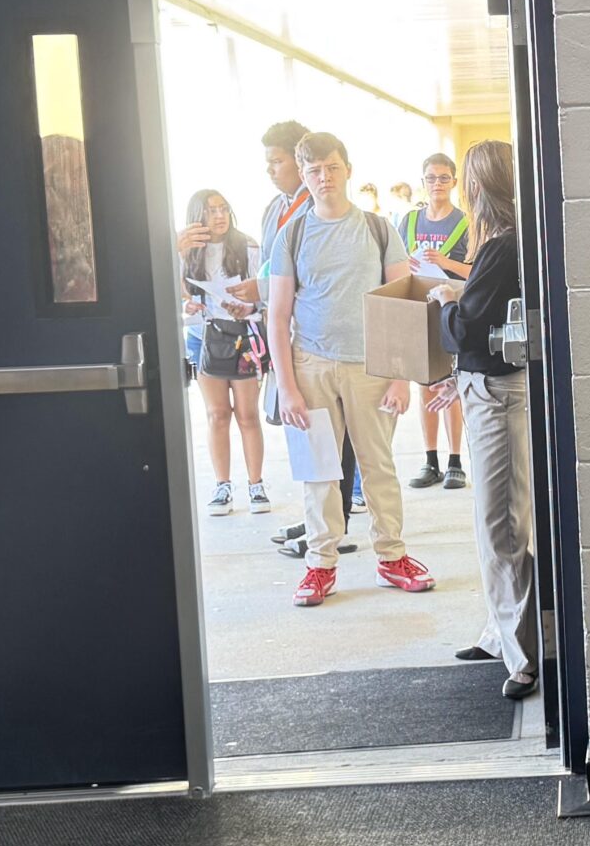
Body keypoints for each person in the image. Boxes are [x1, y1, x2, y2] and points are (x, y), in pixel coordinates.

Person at [267, 131, 435, 608]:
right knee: (319, 472)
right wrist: (286, 387)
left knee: (377, 466)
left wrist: (401, 377)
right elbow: (277, 315)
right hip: (311, 367)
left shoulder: (379, 228)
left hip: (372, 367)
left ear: (348, 169)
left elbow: (404, 304)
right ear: (304, 176)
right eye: (314, 170)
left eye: (332, 167)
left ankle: (391, 557)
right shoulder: (292, 234)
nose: (324, 177)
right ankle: (320, 565)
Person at [426, 140, 538, 700]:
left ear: (477, 186)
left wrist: (445, 302)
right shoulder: (499, 245)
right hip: (483, 388)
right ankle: (500, 634)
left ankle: (523, 655)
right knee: (490, 522)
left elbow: (468, 330)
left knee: (503, 524)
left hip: (497, 393)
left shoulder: (504, 247)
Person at [254, 120, 354, 560]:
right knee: (312, 444)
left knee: (338, 441)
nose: (272, 170)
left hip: (332, 345)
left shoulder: (326, 215)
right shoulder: (277, 210)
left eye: (278, 161)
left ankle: (339, 525)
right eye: (270, 163)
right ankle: (319, 524)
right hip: (294, 339)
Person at [175, 189, 264, 516]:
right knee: (217, 415)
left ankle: (256, 485)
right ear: (197, 216)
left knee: (247, 414)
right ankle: (222, 485)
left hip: (241, 336)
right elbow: (167, 293)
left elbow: (264, 294)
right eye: (210, 211)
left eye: (223, 209)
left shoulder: (248, 246)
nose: (219, 216)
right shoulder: (186, 251)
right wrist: (186, 299)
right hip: (202, 336)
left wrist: (247, 306)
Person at [401, 151, 473, 490]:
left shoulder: (466, 221)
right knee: (425, 385)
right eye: (431, 178)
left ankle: (455, 460)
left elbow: (475, 270)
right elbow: (397, 263)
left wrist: (444, 260)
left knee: (450, 384)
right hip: (419, 310)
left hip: (452, 309)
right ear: (423, 182)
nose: (437, 184)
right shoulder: (410, 221)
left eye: (444, 178)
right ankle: (430, 459)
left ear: (454, 182)